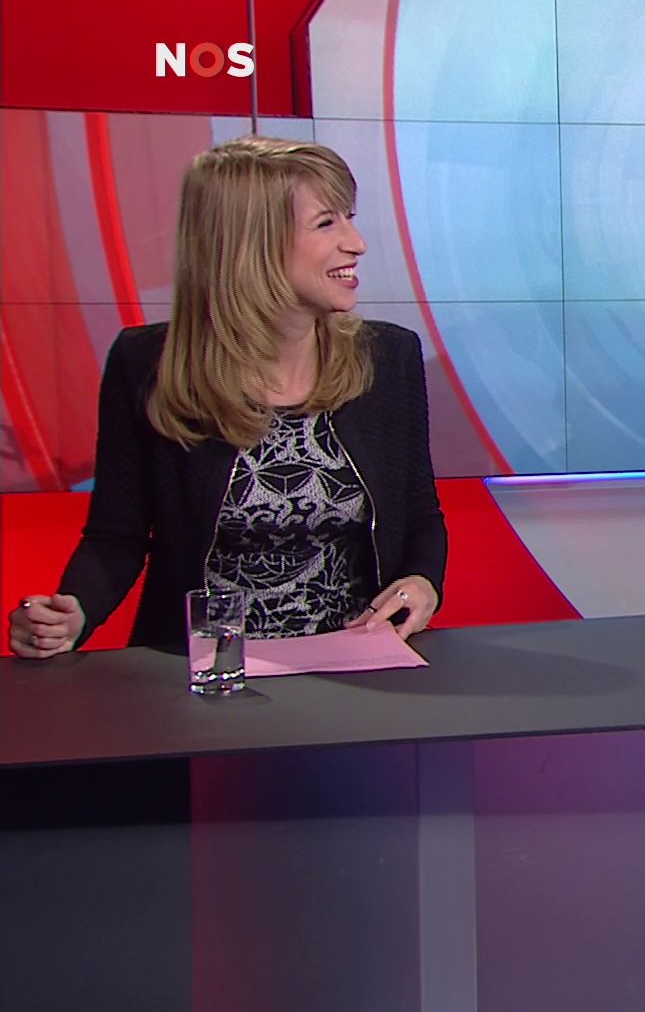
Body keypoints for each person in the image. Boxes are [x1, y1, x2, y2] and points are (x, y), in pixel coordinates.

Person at [8, 135, 445, 657]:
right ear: (252, 242)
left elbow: (420, 514)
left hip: (354, 661)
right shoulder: (148, 366)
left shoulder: (389, 358)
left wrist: (423, 582)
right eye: (327, 223)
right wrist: (72, 614)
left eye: (348, 218)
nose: (357, 243)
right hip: (206, 674)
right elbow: (116, 536)